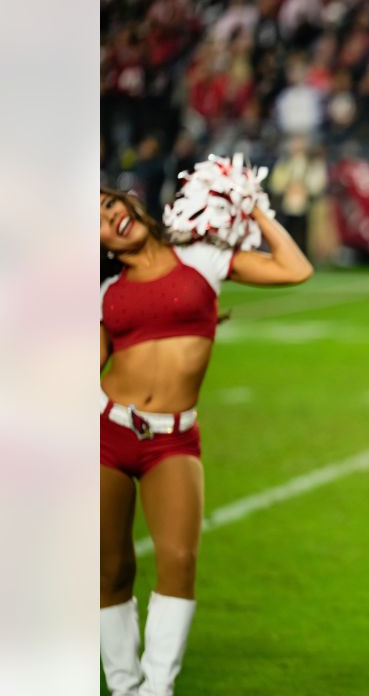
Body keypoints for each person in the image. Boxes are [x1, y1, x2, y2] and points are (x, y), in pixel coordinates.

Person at [99, 187, 313, 695]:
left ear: (132, 205)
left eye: (112, 207)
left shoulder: (201, 258)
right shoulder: (106, 291)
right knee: (110, 569)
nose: (111, 219)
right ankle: (125, 687)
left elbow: (295, 268)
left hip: (173, 439)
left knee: (178, 560)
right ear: (104, 244)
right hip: (107, 432)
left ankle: (157, 689)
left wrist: (252, 207)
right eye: (100, 223)